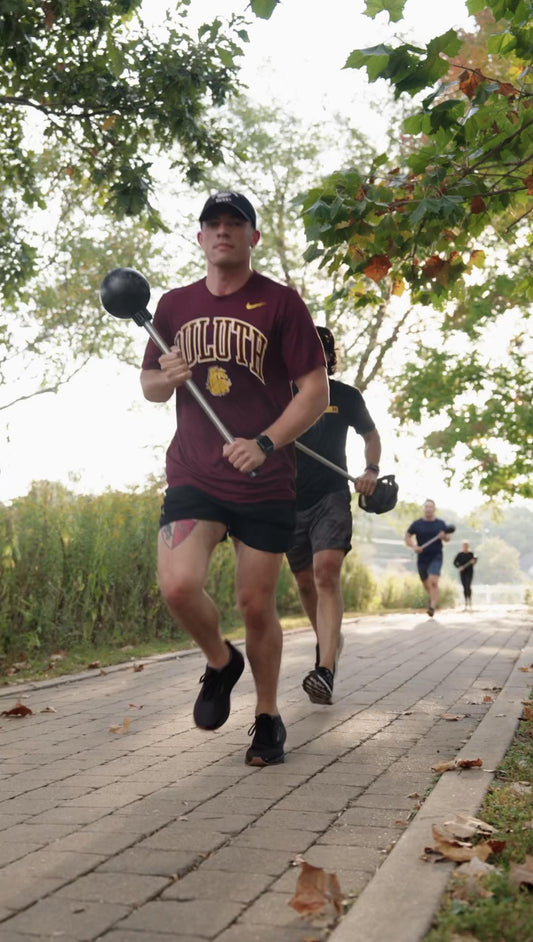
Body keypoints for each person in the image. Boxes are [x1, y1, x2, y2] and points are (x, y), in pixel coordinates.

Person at [140, 190, 329, 767]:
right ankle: (222, 662)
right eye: (213, 224)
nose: (223, 232)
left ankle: (267, 717)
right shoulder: (171, 306)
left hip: (265, 480)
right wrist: (166, 379)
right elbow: (148, 386)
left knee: (254, 603)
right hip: (194, 471)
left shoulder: (281, 304)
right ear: (200, 238)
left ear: (253, 237)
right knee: (176, 585)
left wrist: (266, 442)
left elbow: (316, 393)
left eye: (235, 224)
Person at [286, 326, 381, 705]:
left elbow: (371, 435)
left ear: (328, 357)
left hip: (331, 496)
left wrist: (370, 469)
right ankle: (329, 641)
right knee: (306, 584)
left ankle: (324, 669)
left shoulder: (345, 396)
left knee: (326, 572)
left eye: (318, 352)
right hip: (287, 500)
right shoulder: (279, 395)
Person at [404, 499, 452, 617]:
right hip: (422, 557)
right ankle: (432, 599)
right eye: (426, 507)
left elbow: (448, 538)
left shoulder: (440, 524)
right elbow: (407, 537)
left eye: (431, 507)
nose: (429, 509)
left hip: (436, 555)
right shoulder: (417, 524)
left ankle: (432, 607)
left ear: (434, 509)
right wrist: (414, 546)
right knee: (426, 584)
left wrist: (444, 536)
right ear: (424, 509)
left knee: (433, 581)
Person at [454, 541, 477, 610]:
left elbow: (474, 561)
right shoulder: (459, 554)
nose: (465, 547)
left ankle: (470, 601)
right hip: (462, 573)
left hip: (469, 573)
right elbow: (455, 563)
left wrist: (474, 562)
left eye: (466, 546)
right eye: (464, 546)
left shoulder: (471, 554)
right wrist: (459, 567)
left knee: (468, 585)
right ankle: (466, 602)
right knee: (464, 587)